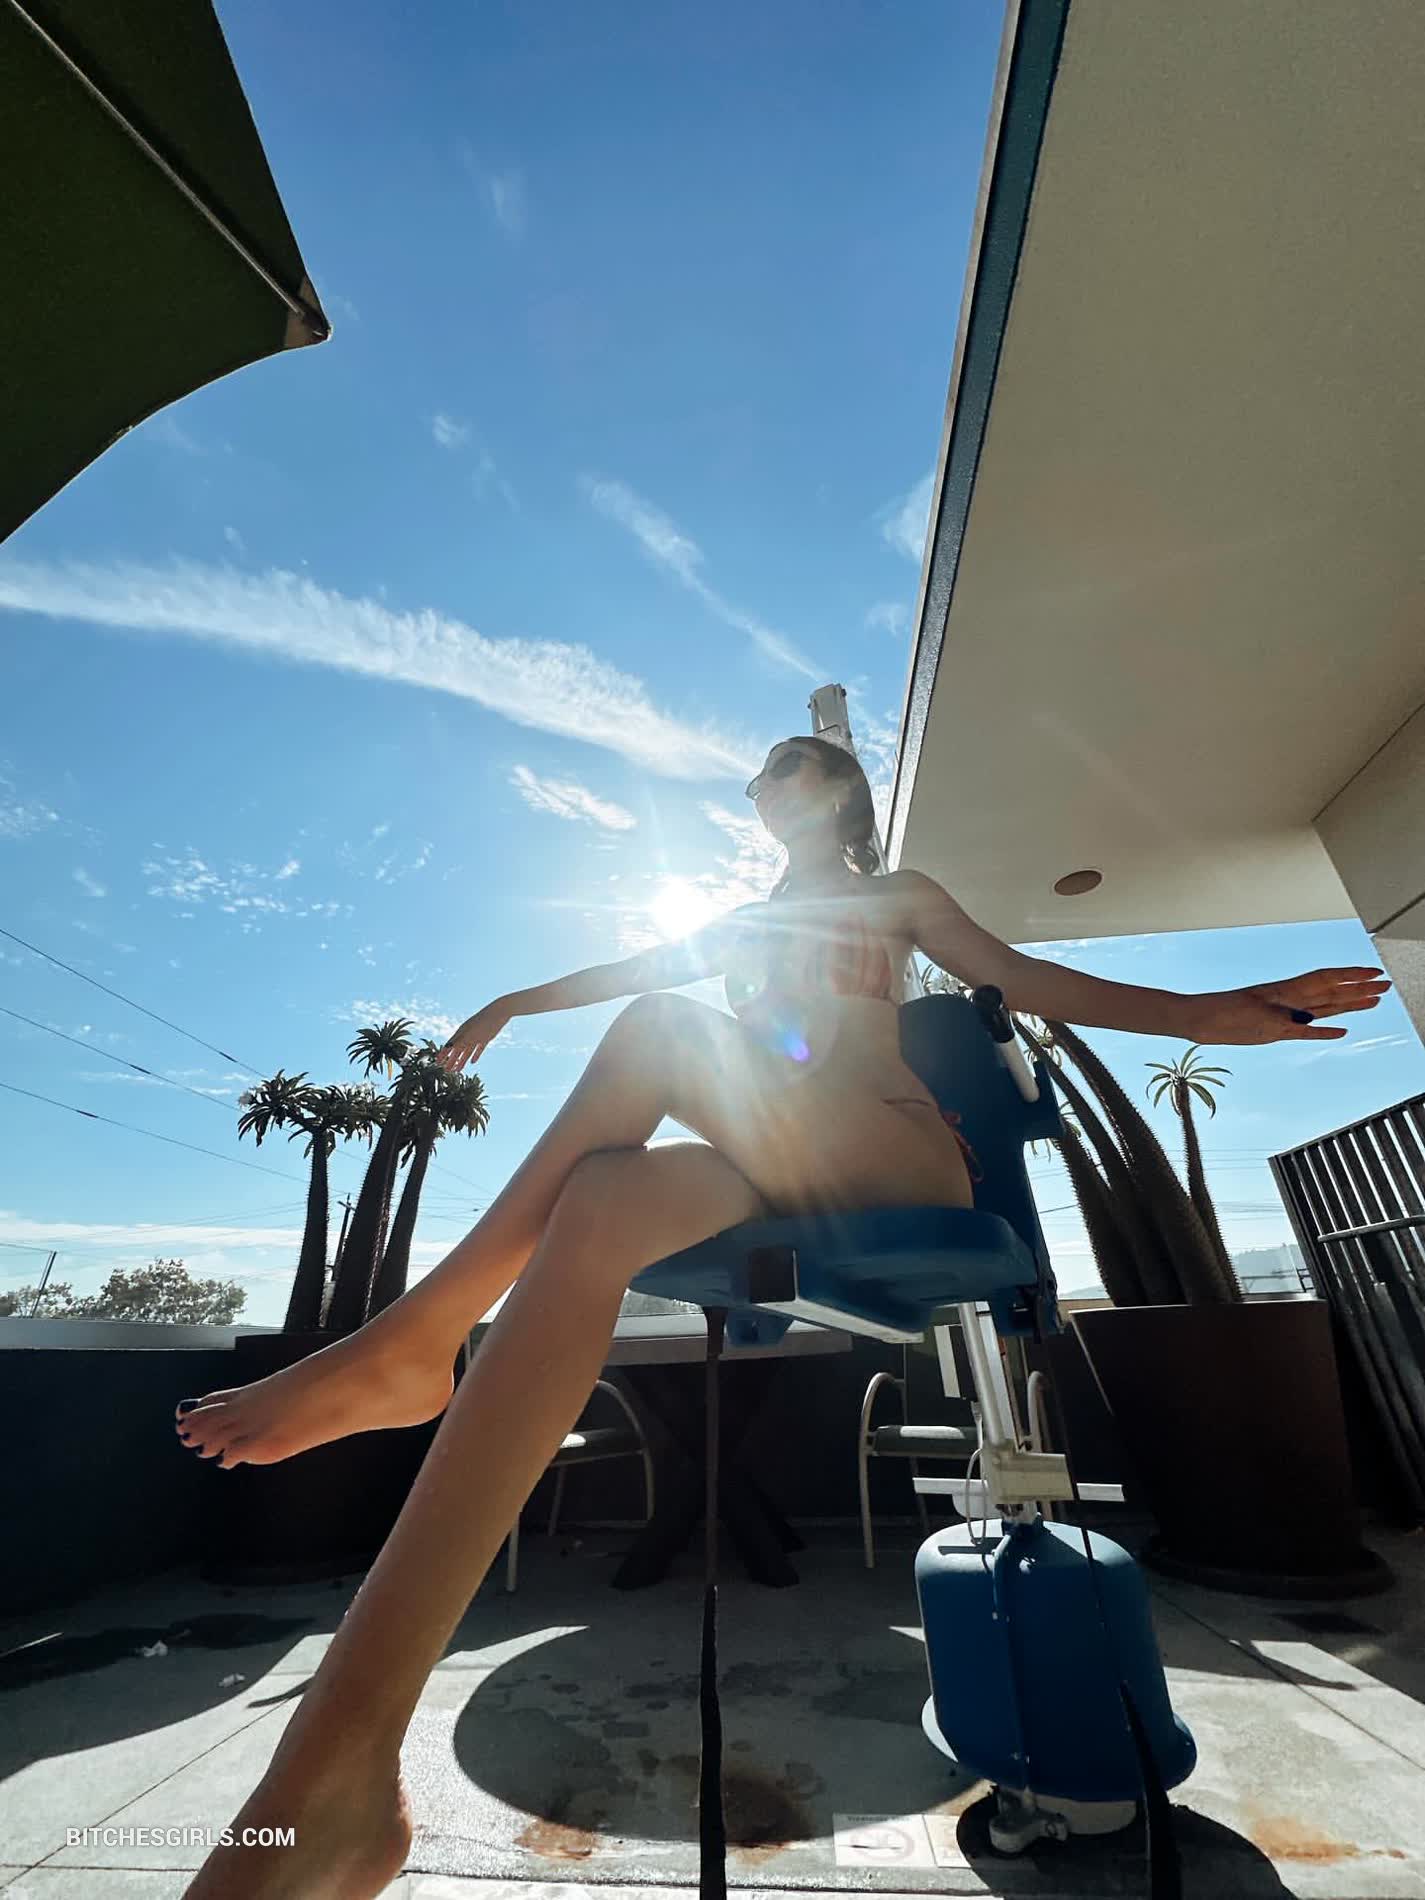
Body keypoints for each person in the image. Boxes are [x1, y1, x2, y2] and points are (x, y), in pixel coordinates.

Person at [175, 735, 1389, 1899]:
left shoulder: (896, 894)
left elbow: (1026, 980)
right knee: (604, 1196)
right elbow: (629, 968)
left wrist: (1206, 1012)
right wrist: (512, 999)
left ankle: (414, 1338)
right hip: (773, 1155)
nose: (769, 780)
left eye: (791, 764)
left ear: (843, 796)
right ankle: (339, 1773)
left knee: (661, 1036)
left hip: (895, 1154)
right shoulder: (741, 925)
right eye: (761, 773)